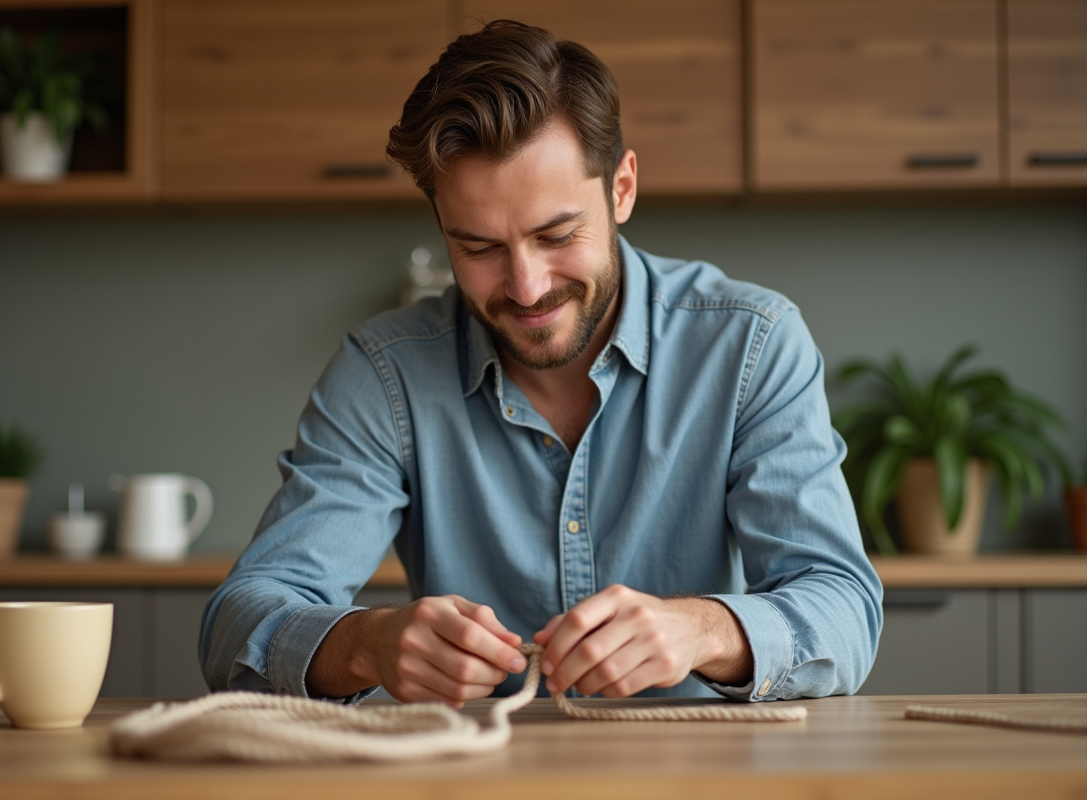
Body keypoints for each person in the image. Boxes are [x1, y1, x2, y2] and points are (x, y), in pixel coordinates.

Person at [200, 20, 882, 707]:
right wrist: (368, 644)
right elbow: (238, 624)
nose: (525, 287)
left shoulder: (751, 346)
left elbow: (845, 609)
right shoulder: (385, 374)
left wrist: (703, 630)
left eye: (556, 235)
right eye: (478, 247)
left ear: (621, 190)